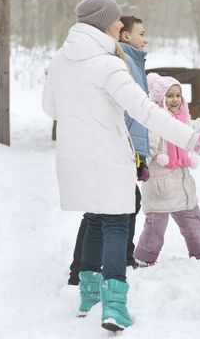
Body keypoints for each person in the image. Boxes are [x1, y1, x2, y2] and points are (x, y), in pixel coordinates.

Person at [42, 0, 200, 332]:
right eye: (117, 19)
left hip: (73, 155)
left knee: (94, 218)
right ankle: (115, 305)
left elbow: (51, 109)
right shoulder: (108, 64)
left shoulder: (61, 59)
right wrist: (193, 139)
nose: (121, 24)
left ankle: (89, 297)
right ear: (103, 22)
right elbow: (146, 111)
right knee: (117, 222)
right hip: (108, 154)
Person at [66, 15, 150, 286]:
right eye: (142, 33)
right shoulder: (122, 61)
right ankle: (82, 270)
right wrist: (133, 151)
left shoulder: (134, 60)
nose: (146, 39)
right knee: (103, 210)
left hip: (124, 146)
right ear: (125, 36)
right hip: (115, 147)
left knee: (123, 204)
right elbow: (129, 112)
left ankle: (113, 259)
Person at [133, 73, 200, 265]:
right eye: (169, 96)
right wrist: (143, 164)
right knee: (155, 227)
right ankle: (144, 257)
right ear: (160, 99)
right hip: (159, 185)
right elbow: (149, 147)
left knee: (192, 220)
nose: (175, 100)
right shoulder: (156, 123)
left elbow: (199, 126)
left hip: (181, 183)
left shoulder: (182, 120)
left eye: (178, 95)